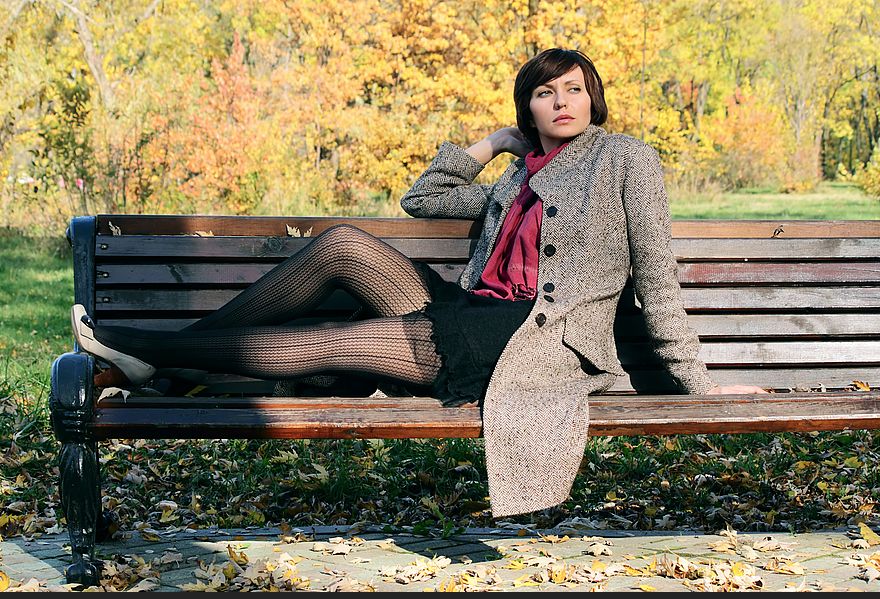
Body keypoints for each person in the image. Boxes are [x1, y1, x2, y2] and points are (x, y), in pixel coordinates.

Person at [71, 48, 764, 519]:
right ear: (527, 110)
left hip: (532, 340)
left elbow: (658, 283)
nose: (562, 103)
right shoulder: (518, 175)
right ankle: (165, 361)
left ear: (595, 99)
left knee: (336, 342)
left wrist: (700, 388)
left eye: (574, 90)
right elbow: (424, 196)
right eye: (544, 94)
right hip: (471, 313)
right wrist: (495, 143)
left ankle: (144, 350)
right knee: (341, 244)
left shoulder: (626, 161)